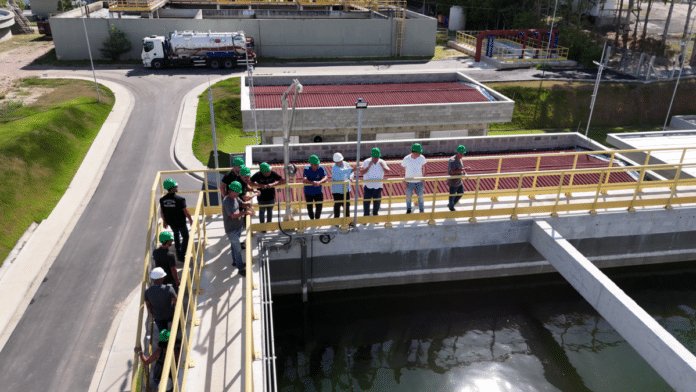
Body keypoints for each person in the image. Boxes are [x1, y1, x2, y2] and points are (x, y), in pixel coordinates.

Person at [223, 181, 254, 277]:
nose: (239, 194)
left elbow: (242, 204)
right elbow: (232, 216)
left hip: (237, 227)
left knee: (233, 246)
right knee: (238, 249)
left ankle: (235, 262)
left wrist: (248, 204)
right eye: (237, 192)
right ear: (232, 191)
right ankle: (240, 269)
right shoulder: (227, 201)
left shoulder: (235, 198)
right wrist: (245, 213)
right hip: (231, 230)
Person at [159, 179, 193, 262]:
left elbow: (162, 211)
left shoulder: (162, 200)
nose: (177, 187)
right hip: (181, 222)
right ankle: (182, 255)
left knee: (176, 235)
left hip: (171, 222)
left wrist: (164, 221)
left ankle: (178, 254)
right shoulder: (180, 199)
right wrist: (191, 220)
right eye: (176, 186)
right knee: (185, 237)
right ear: (172, 188)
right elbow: (185, 211)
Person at [144, 267, 177, 333]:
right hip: (170, 315)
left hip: (158, 317)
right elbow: (176, 302)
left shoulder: (147, 292)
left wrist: (153, 314)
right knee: (176, 326)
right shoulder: (169, 289)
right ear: (161, 279)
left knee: (163, 332)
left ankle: (165, 341)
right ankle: (174, 339)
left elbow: (148, 306)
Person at [360, 147, 391, 216]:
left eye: (377, 157)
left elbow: (389, 172)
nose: (376, 159)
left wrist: (383, 167)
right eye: (375, 157)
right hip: (368, 186)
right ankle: (366, 217)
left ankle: (375, 216)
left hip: (378, 186)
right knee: (366, 203)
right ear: (372, 156)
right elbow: (361, 173)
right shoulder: (366, 162)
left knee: (377, 202)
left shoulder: (382, 162)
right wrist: (368, 166)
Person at [402, 143, 428, 214]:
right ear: (414, 152)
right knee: (408, 197)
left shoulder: (422, 158)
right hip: (409, 182)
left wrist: (423, 177)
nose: (420, 153)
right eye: (419, 152)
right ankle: (408, 210)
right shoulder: (406, 158)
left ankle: (421, 211)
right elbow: (401, 170)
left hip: (419, 181)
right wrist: (403, 181)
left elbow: (425, 168)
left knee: (420, 197)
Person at [303, 155, 328, 220]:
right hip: (308, 192)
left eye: (317, 164)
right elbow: (304, 179)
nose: (316, 166)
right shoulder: (306, 169)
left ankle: (317, 218)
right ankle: (311, 219)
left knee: (319, 206)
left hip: (318, 191)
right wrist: (312, 182)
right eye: (315, 164)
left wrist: (319, 182)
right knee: (309, 207)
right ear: (311, 164)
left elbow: (325, 177)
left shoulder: (321, 168)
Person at [448, 145, 472, 211]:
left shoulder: (460, 159)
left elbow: (461, 168)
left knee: (461, 193)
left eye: (463, 154)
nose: (462, 155)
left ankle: (451, 204)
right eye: (461, 154)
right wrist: (463, 169)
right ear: (457, 152)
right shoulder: (452, 161)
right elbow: (452, 172)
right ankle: (451, 207)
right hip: (453, 181)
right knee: (452, 196)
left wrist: (465, 172)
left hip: (459, 180)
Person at [331, 152, 355, 219]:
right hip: (337, 190)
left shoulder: (346, 163)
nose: (340, 162)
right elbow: (342, 172)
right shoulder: (334, 167)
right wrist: (352, 170)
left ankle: (347, 220)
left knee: (347, 205)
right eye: (338, 162)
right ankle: (336, 220)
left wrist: (350, 177)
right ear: (335, 162)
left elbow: (351, 172)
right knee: (337, 205)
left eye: (341, 161)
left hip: (346, 189)